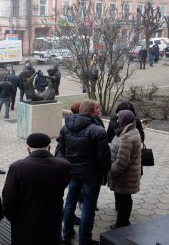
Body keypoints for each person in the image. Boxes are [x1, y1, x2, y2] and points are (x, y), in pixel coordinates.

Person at [56, 100, 111, 245]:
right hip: (91, 174)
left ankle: (66, 235)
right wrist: (104, 172)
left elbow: (61, 149)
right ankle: (85, 239)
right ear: (94, 111)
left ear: (80, 109)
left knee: (70, 201)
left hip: (72, 171)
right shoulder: (98, 130)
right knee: (88, 206)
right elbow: (104, 156)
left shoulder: (65, 127)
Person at [3, 133, 72, 245]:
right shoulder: (64, 165)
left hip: (25, 222)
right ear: (49, 148)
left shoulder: (17, 167)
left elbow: (9, 197)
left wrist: (11, 216)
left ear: (28, 150)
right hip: (52, 219)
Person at [107, 110, 142, 230]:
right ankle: (123, 220)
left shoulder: (127, 137)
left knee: (124, 200)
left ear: (125, 119)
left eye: (119, 118)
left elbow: (122, 162)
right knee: (124, 199)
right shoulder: (130, 131)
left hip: (124, 176)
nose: (117, 120)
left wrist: (111, 170)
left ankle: (122, 223)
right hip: (127, 174)